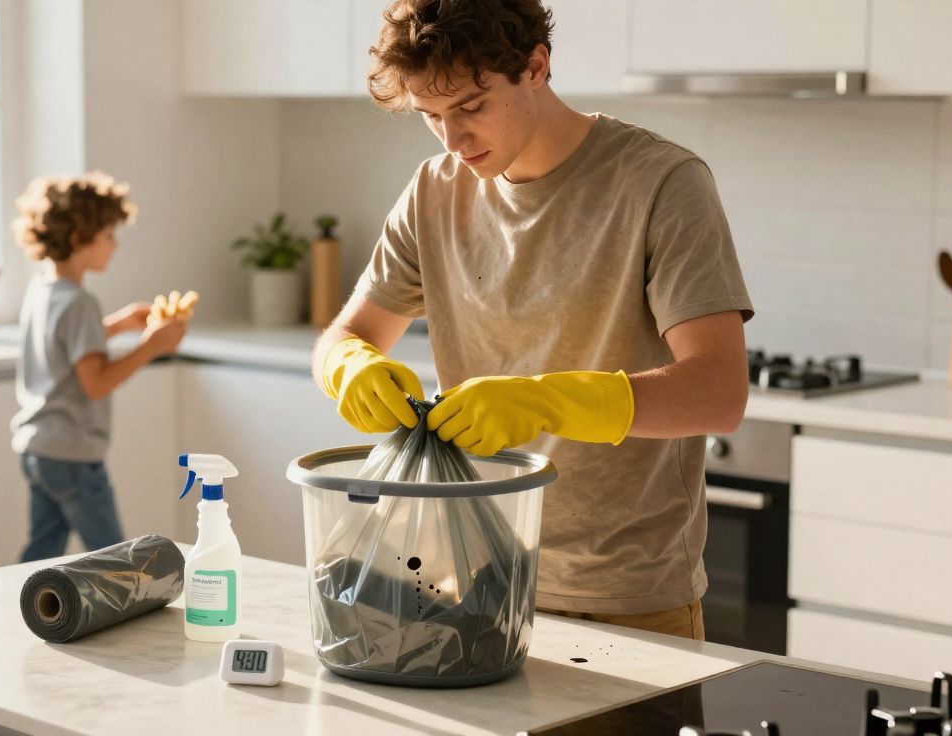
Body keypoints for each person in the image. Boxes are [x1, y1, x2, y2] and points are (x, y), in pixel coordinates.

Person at [313, 0, 755, 640]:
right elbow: (347, 334)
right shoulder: (434, 191)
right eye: (430, 117)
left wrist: (548, 400)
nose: (453, 139)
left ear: (535, 67)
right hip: (465, 581)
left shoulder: (662, 182)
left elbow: (718, 393)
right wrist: (347, 366)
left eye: (470, 106)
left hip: (622, 595)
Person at [10, 172, 186, 562]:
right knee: (115, 558)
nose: (115, 245)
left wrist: (118, 324)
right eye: (108, 236)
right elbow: (96, 382)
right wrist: (152, 346)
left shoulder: (44, 289)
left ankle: (20, 610)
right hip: (74, 456)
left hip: (39, 449)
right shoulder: (81, 303)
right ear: (78, 239)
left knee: (42, 553)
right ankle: (133, 614)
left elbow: (63, 347)